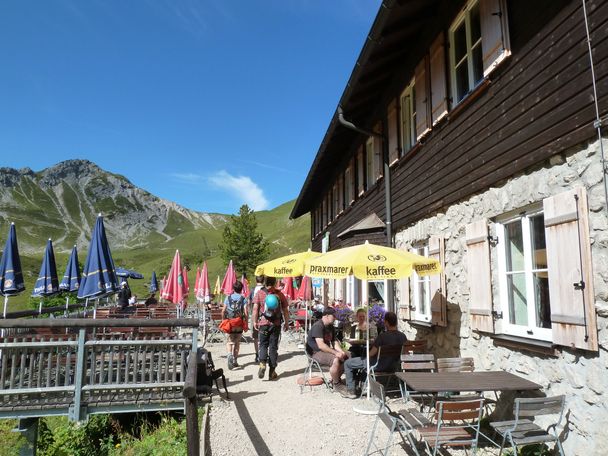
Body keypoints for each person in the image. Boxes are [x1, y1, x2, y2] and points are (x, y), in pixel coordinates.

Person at [341, 311, 407, 399]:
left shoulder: (382, 337)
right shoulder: (403, 336)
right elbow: (405, 353)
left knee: (348, 363)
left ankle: (351, 391)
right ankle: (363, 385)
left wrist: (365, 355)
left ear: (386, 322)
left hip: (377, 365)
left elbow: (371, 354)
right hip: (394, 366)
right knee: (363, 363)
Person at [252, 276, 289, 380]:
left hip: (263, 324)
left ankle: (262, 363)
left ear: (265, 282)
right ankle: (272, 372)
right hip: (275, 324)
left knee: (263, 345)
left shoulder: (260, 293)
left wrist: (255, 321)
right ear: (275, 282)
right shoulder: (279, 294)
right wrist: (286, 323)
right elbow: (285, 310)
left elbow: (255, 309)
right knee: (273, 347)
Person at [306, 307, 348, 387]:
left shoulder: (330, 326)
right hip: (315, 353)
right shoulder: (318, 326)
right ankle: (337, 384)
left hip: (325, 351)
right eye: (334, 316)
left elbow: (334, 341)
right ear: (327, 316)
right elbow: (321, 345)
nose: (335, 318)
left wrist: (341, 351)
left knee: (347, 356)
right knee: (335, 359)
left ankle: (335, 379)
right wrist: (336, 353)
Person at [221, 280, 248, 370]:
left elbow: (223, 311)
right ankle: (235, 360)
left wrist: (223, 320)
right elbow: (246, 312)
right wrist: (246, 323)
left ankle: (229, 355)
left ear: (233, 288)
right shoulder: (243, 299)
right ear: (241, 289)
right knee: (237, 342)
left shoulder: (228, 298)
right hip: (239, 323)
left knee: (229, 341)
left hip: (230, 323)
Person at [249, 275, 265, 363]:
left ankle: (257, 354)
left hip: (255, 315)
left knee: (255, 336)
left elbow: (249, 303)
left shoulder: (252, 290)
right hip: (265, 315)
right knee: (265, 335)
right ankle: (264, 353)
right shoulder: (266, 290)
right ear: (264, 281)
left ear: (256, 280)